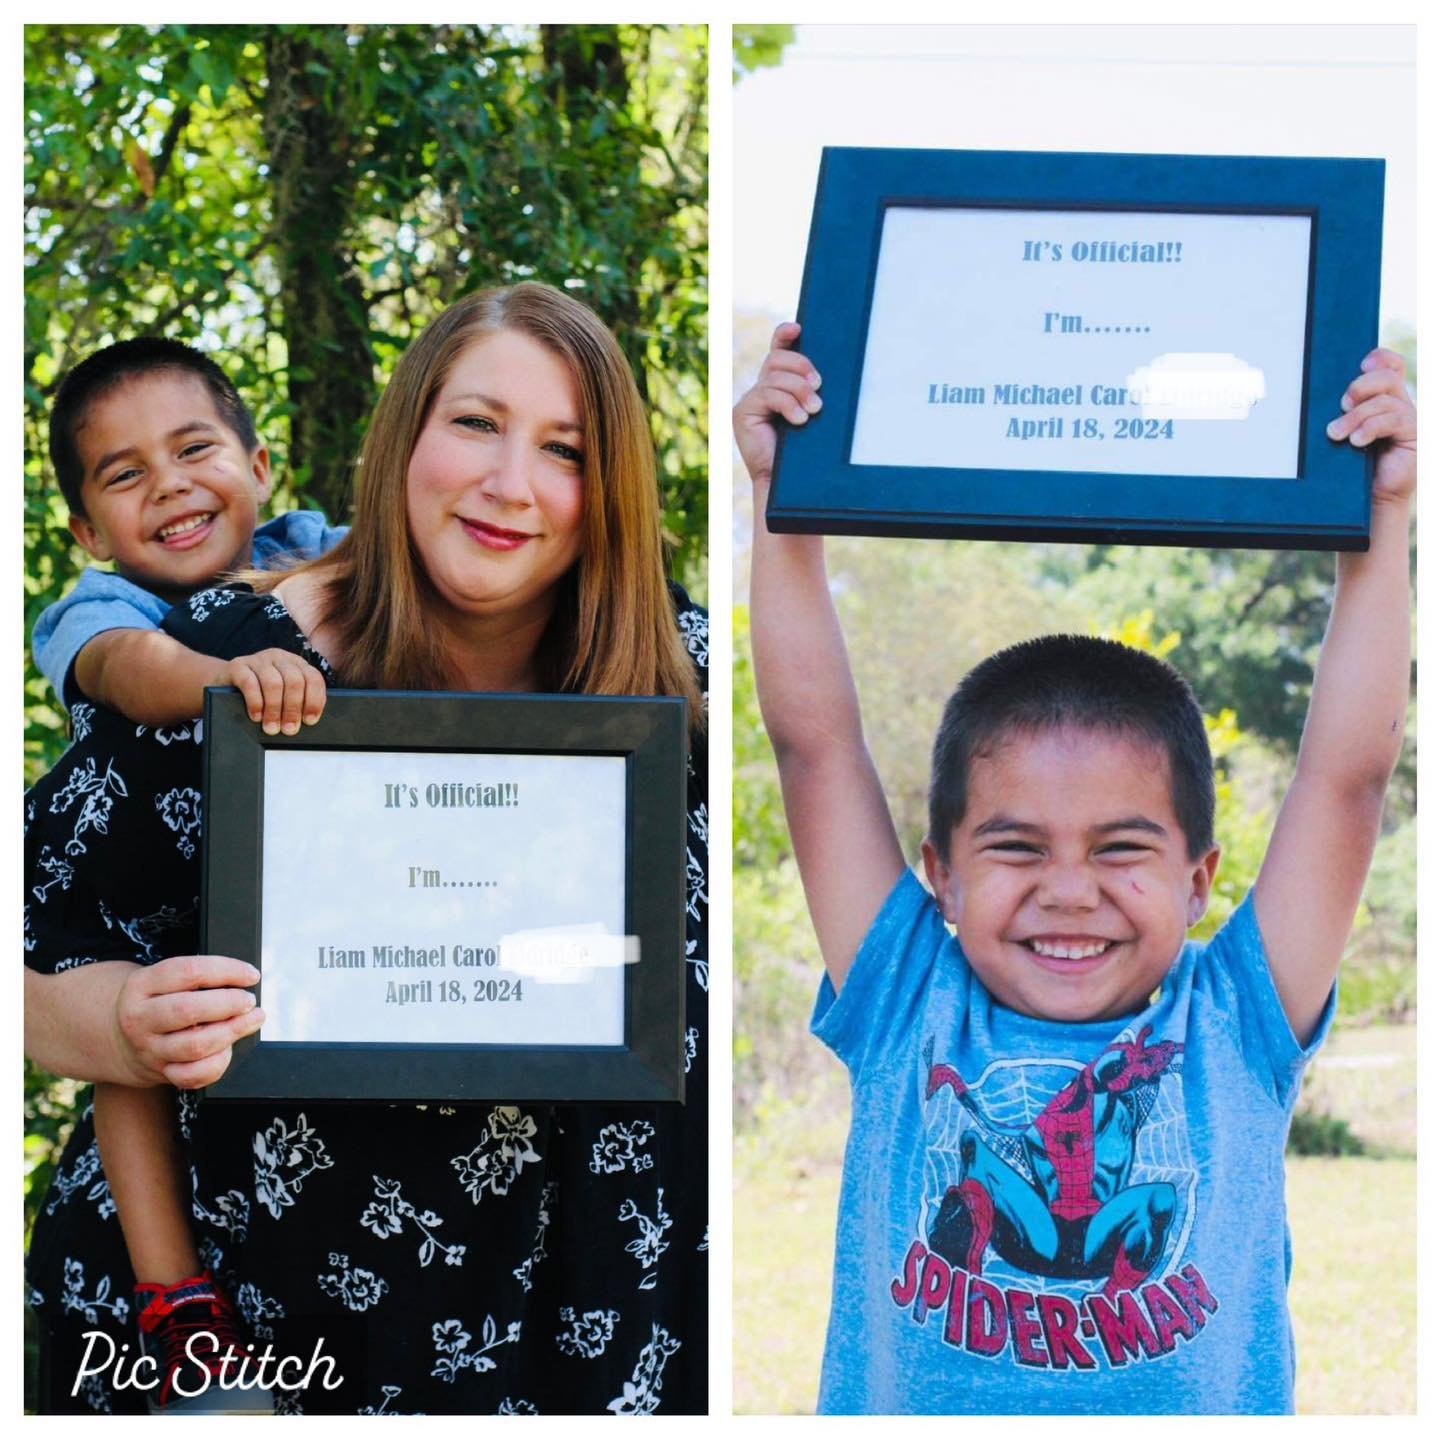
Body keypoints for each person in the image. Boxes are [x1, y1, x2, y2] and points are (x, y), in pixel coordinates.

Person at [26, 282, 709, 1416]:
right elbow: (39, 941)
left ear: (614, 489)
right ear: (407, 433)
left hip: (609, 1331)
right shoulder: (238, 666)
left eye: (565, 449)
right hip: (261, 1344)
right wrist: (120, 1022)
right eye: (476, 424)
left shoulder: (679, 678)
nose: (509, 484)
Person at [733, 323, 1413, 1413]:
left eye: (1120, 849)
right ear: (939, 874)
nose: (1068, 889)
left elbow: (1348, 778)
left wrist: (1378, 517)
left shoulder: (1235, 1019)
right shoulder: (908, 997)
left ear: (1199, 881)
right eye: (1014, 847)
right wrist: (784, 499)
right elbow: (812, 744)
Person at [29, 338, 342, 1411]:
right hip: (145, 914)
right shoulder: (104, 611)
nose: (166, 483)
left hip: (291, 913)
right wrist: (229, 675)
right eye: (123, 475)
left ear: (260, 468)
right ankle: (176, 1305)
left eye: (193, 448)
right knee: (137, 1042)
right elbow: (133, 671)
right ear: (88, 531)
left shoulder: (322, 554)